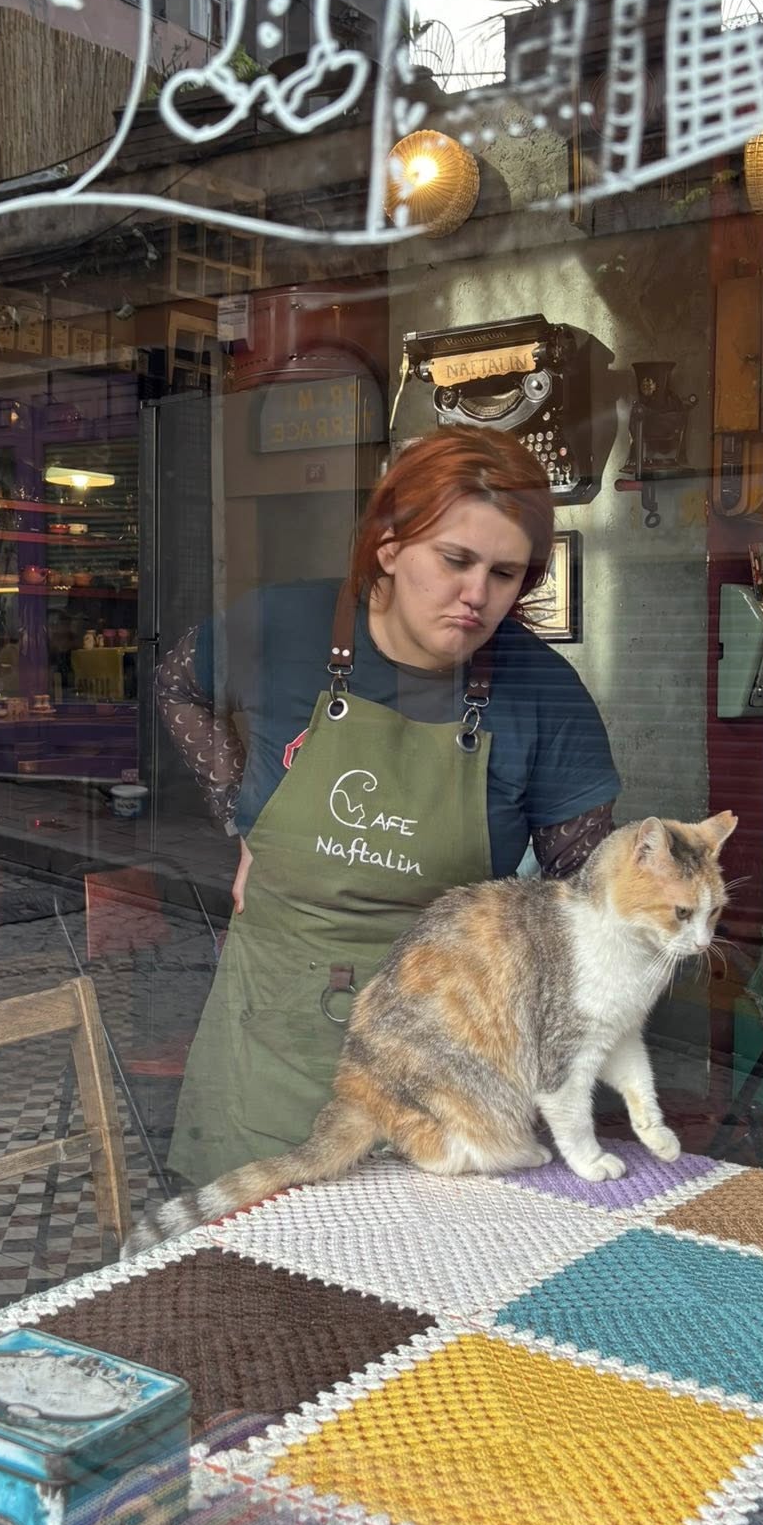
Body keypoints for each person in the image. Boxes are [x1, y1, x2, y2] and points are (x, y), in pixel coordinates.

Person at [156, 428, 621, 1187]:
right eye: (455, 560)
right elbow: (179, 685)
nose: (477, 595)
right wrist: (245, 816)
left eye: (504, 573)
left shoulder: (544, 695)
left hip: (445, 1072)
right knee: (243, 1256)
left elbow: (588, 912)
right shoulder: (280, 626)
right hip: (270, 1044)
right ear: (389, 545)